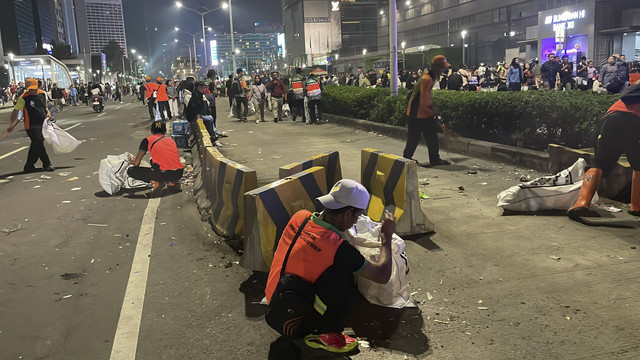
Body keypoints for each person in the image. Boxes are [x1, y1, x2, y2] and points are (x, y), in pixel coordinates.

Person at [265, 179, 396, 352]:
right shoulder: (337, 248)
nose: (356, 222)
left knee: (334, 266)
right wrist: (386, 237)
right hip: (295, 320)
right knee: (344, 275)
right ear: (347, 213)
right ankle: (324, 332)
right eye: (357, 216)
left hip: (273, 299)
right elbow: (382, 275)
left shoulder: (301, 217)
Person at [567, 83, 640, 220]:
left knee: (598, 163)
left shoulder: (633, 90)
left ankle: (581, 204)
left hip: (610, 119)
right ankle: (636, 207)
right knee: (639, 165)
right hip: (635, 121)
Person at [403, 55, 451, 166]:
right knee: (430, 137)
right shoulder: (427, 79)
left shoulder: (429, 77)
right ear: (435, 67)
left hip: (417, 112)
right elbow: (424, 100)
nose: (443, 70)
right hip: (420, 113)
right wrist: (433, 110)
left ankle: (407, 158)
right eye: (442, 68)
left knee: (416, 137)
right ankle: (433, 159)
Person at [6, 78, 55, 173]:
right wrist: (11, 124)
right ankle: (47, 164)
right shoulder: (23, 97)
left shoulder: (42, 94)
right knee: (38, 141)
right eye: (30, 89)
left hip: (43, 123)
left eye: (34, 88)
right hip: (31, 124)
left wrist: (48, 113)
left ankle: (29, 166)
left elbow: (44, 107)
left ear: (37, 86)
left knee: (36, 144)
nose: (32, 91)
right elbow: (15, 112)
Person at [127, 121, 184, 193]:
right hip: (178, 173)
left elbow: (136, 163)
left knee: (131, 171)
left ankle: (157, 181)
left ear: (151, 131)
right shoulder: (171, 140)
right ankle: (172, 182)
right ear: (165, 131)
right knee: (157, 161)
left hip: (162, 175)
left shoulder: (147, 140)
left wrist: (131, 161)